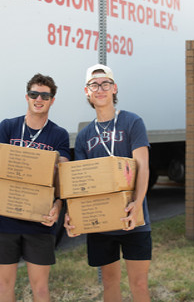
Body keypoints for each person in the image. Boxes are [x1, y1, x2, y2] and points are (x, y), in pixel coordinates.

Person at [64, 64, 151, 302]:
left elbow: (142, 166)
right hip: (101, 223)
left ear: (114, 88)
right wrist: (73, 214)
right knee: (110, 285)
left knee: (140, 283)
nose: (100, 89)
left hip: (134, 218)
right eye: (94, 85)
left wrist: (137, 203)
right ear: (86, 91)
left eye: (105, 84)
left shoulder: (132, 122)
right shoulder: (84, 136)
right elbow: (80, 182)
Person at [0, 73, 70, 302]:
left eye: (45, 95)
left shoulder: (58, 134)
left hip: (39, 220)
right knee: (3, 286)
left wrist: (59, 204)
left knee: (40, 289)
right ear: (27, 97)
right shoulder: (9, 126)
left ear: (52, 100)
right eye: (34, 94)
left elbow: (63, 173)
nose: (38, 99)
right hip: (4, 217)